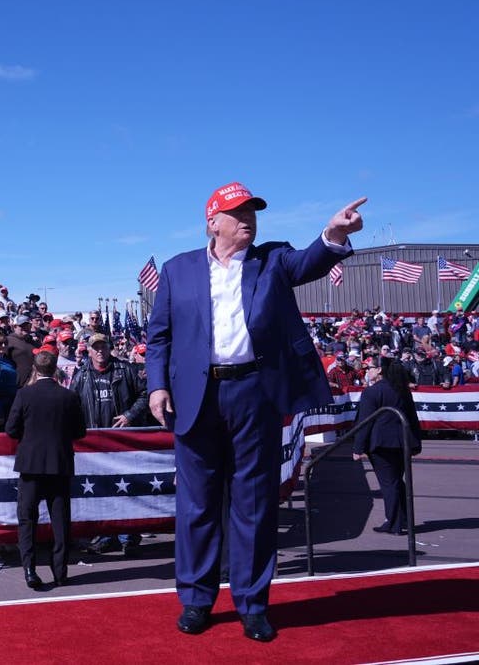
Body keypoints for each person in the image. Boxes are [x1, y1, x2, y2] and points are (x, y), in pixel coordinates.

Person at [146, 182, 363, 643]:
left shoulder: (274, 259)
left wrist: (333, 235)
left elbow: (310, 261)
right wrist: (157, 386)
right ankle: (197, 600)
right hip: (195, 398)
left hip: (254, 395)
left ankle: (252, 603)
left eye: (253, 212)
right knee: (197, 505)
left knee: (254, 504)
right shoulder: (177, 270)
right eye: (237, 212)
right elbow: (159, 336)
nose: (248, 219)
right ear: (212, 221)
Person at [4, 351, 87, 590]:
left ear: (35, 369)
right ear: (55, 370)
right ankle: (60, 571)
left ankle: (30, 569)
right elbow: (80, 432)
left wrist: (29, 436)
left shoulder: (24, 394)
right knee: (60, 521)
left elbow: (11, 429)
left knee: (27, 519)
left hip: (30, 465)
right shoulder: (68, 396)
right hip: (59, 464)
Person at [69, 332, 148, 556]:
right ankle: (107, 536)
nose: (100, 351)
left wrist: (129, 415)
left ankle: (129, 536)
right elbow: (72, 402)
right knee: (101, 490)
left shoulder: (125, 369)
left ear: (109, 348)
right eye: (95, 348)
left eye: (103, 347)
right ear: (90, 351)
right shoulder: (82, 374)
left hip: (121, 441)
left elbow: (145, 394)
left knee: (127, 488)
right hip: (94, 444)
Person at [352, 358, 421, 535]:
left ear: (380, 370)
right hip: (402, 442)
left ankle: (394, 523)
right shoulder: (402, 390)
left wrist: (358, 448)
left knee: (389, 483)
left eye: (371, 367)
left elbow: (365, 421)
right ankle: (403, 519)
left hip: (381, 443)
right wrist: (416, 443)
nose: (368, 370)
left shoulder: (372, 392)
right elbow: (412, 418)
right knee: (397, 481)